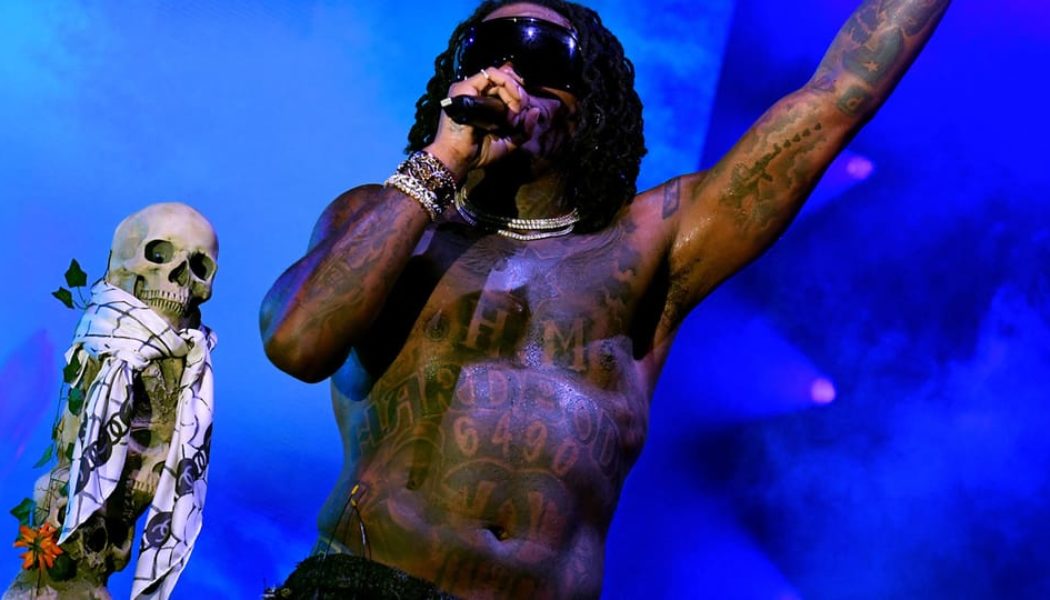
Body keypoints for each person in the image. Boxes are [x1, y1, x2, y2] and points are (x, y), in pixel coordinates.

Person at [259, 0, 949, 597]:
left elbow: (834, 97)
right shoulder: (387, 222)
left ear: (587, 98)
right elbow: (296, 342)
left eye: (541, 55)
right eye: (489, 52)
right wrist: (438, 166)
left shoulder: (649, 242)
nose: (509, 74)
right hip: (363, 584)